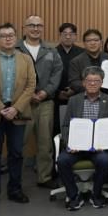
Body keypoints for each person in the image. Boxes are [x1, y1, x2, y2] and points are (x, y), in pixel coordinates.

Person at [0, 23, 36, 207]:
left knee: (16, 153)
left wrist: (15, 108)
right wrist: (0, 108)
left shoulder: (26, 59)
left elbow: (31, 86)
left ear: (16, 37)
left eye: (11, 35)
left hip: (18, 112)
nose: (8, 38)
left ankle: (15, 189)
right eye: (3, 35)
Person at [58, 66, 108, 211]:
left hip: (99, 148)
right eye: (89, 80)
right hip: (77, 148)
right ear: (83, 83)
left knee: (104, 160)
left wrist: (105, 144)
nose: (92, 83)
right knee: (62, 160)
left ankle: (96, 195)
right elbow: (65, 126)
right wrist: (70, 144)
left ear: (102, 83)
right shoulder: (74, 100)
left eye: (96, 81)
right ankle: (73, 196)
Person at [16, 15, 63, 189]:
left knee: (45, 143)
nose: (36, 28)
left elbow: (57, 73)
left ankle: (44, 177)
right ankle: (16, 180)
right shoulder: (16, 49)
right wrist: (27, 95)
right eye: (32, 25)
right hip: (22, 104)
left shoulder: (51, 50)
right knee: (18, 143)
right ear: (24, 28)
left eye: (39, 25)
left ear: (43, 28)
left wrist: (45, 92)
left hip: (45, 103)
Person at [54, 23, 84, 133]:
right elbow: (48, 76)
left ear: (75, 36)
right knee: (57, 128)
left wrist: (74, 90)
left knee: (77, 128)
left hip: (77, 95)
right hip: (57, 97)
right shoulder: (52, 52)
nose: (68, 36)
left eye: (71, 34)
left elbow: (85, 75)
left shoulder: (82, 52)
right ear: (60, 35)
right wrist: (58, 93)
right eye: (64, 34)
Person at [68, 29, 108, 93]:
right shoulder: (76, 61)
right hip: (85, 95)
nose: (92, 43)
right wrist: (93, 88)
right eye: (89, 41)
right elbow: (74, 83)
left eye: (96, 40)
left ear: (101, 42)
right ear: (84, 43)